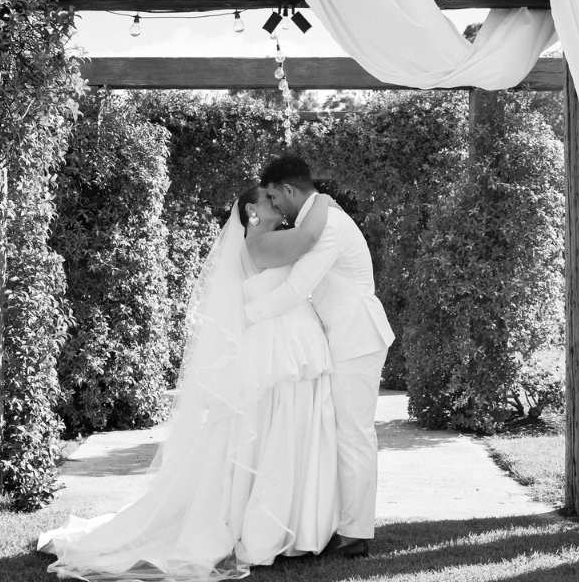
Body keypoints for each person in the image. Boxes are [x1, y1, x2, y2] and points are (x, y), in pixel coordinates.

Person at [38, 187, 342, 581]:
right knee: (274, 435)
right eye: (268, 199)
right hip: (279, 348)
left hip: (286, 347)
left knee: (280, 433)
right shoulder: (260, 245)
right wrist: (321, 202)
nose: (276, 203)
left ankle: (287, 523)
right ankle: (270, 527)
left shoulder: (262, 240)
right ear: (251, 211)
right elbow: (307, 242)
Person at [244, 155, 394, 559]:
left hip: (357, 337)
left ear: (289, 190)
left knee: (354, 434)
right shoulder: (320, 216)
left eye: (275, 197)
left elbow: (297, 288)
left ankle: (356, 534)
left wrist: (245, 316)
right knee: (343, 432)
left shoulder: (329, 223)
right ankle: (341, 524)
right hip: (344, 336)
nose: (274, 206)